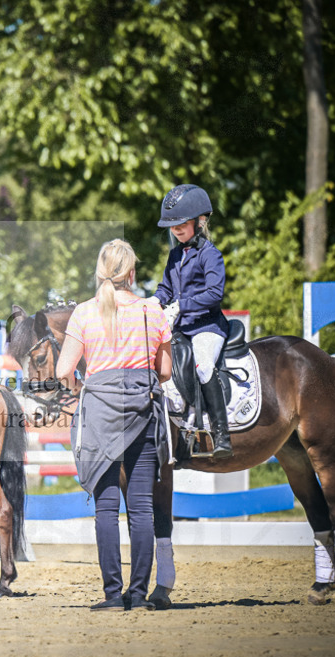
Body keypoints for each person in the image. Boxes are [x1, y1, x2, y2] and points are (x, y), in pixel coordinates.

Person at [56, 239, 172, 612]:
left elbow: (62, 371)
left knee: (105, 509)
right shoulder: (151, 312)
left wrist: (80, 382)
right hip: (142, 414)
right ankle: (138, 595)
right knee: (140, 509)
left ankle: (111, 595)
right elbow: (165, 371)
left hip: (100, 419)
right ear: (132, 273)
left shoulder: (86, 313)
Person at [153, 183, 232, 458]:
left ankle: (222, 436)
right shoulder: (174, 255)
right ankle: (184, 432)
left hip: (207, 327)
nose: (175, 230)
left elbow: (214, 293)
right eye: (172, 226)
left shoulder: (210, 254)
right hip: (181, 327)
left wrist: (180, 306)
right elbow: (165, 288)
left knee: (202, 367)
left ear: (199, 222)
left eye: (181, 224)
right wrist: (155, 302)